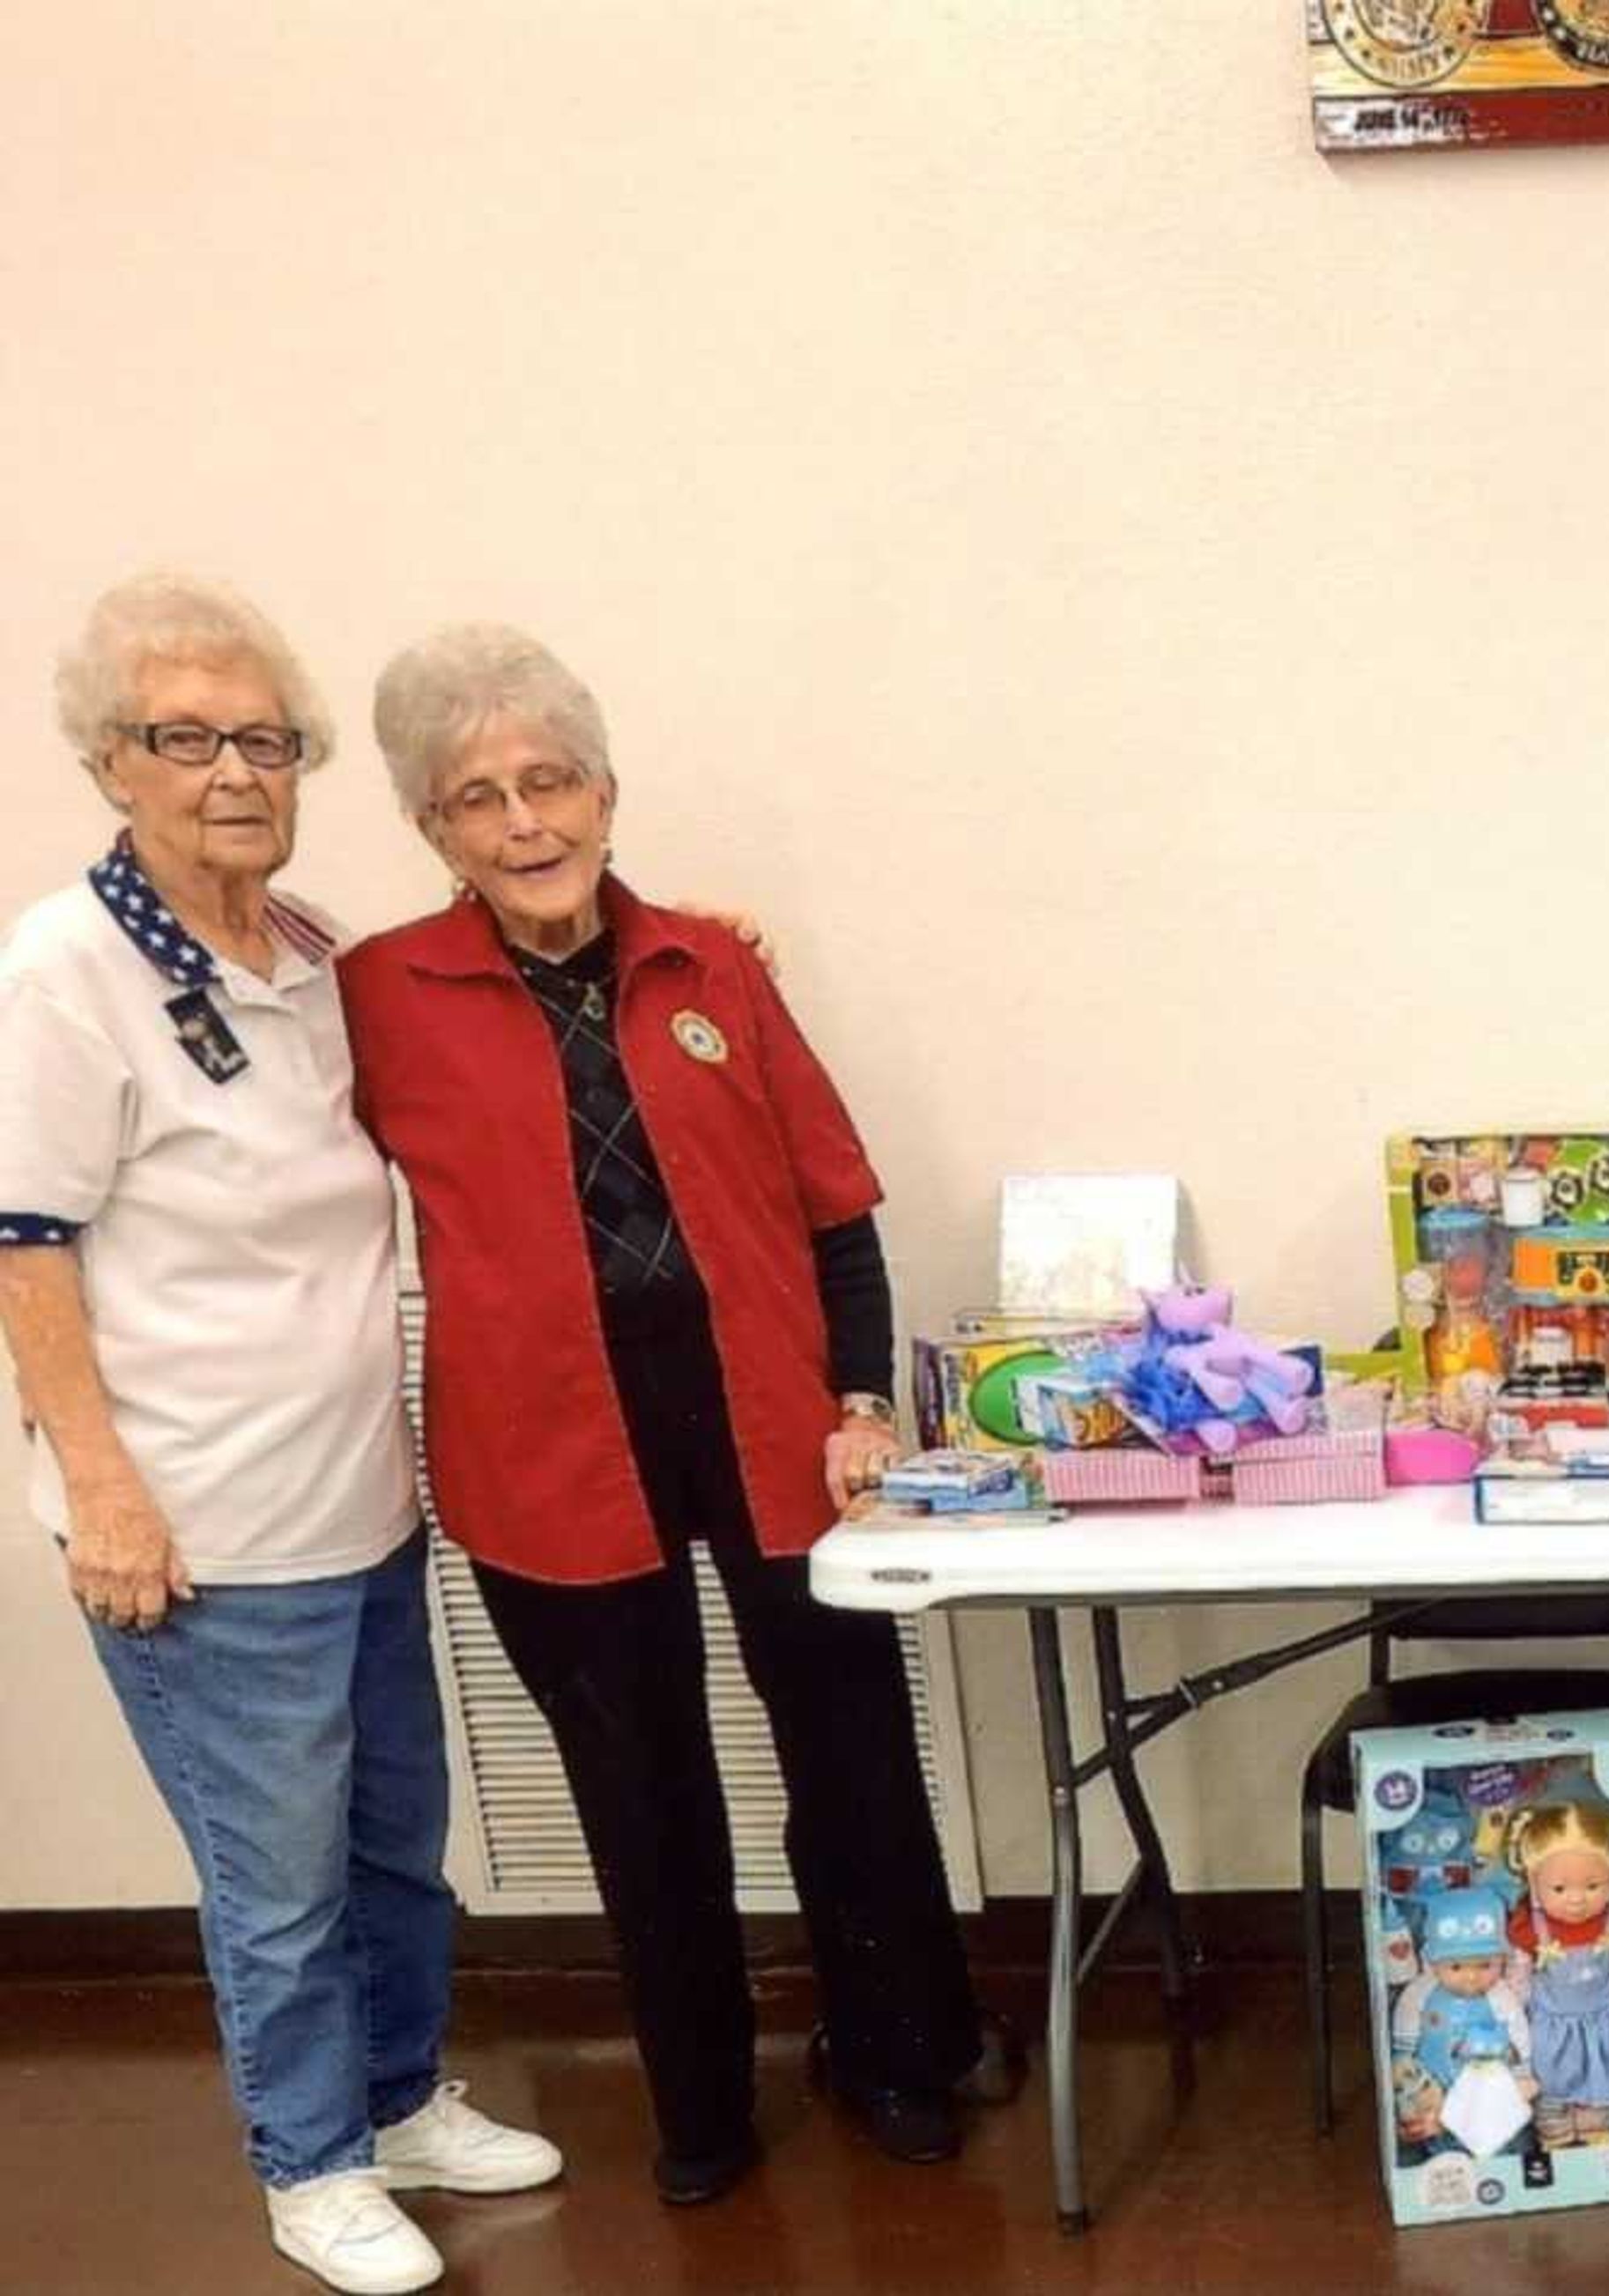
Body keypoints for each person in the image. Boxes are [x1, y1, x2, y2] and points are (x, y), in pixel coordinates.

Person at [336, 623, 1005, 2205]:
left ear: (607, 792)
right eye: (478, 798)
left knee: (849, 1751)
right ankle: (703, 2106)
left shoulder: (714, 966)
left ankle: (900, 2048)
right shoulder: (377, 995)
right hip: (545, 1452)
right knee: (640, 1794)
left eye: (549, 781)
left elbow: (834, 1206)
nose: (524, 822)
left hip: (775, 1422)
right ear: (435, 832)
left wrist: (859, 1393)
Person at [0, 575, 558, 2296]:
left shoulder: (306, 952)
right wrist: (101, 1488)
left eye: (267, 739)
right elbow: (24, 1242)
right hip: (199, 1533)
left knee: (398, 1836)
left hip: (362, 1507)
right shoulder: (62, 972)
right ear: (113, 761)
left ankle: (392, 2103)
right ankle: (306, 2164)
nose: (235, 770)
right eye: (189, 737)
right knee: (280, 1878)